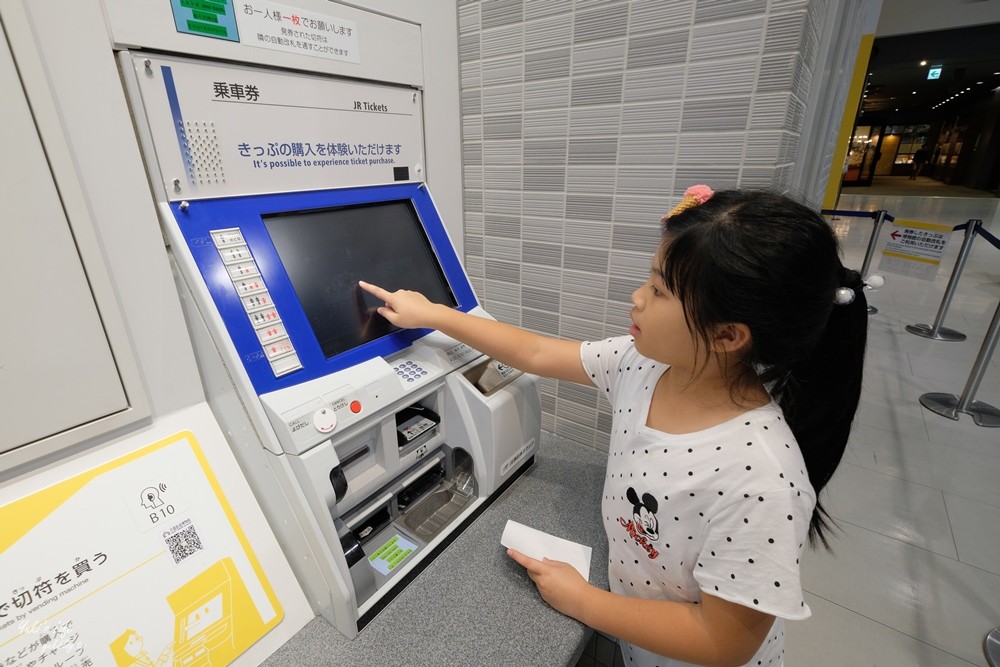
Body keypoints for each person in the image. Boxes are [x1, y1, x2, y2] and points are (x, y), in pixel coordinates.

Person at [360, 185, 868, 667]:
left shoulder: (762, 477)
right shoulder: (641, 364)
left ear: (728, 335)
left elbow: (724, 640)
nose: (636, 297)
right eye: (649, 278)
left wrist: (583, 601)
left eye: (661, 290)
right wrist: (434, 315)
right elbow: (536, 352)